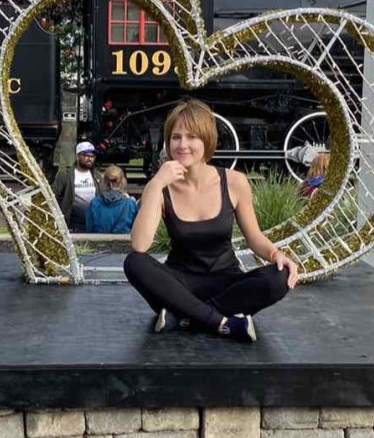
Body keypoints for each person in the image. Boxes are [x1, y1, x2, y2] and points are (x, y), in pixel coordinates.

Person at [124, 99, 298, 343]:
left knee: (279, 278)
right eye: (176, 137)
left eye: (191, 137)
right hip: (179, 284)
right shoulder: (161, 187)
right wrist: (155, 184)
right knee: (134, 263)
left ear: (206, 140)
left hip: (227, 282)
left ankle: (184, 316)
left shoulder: (234, 182)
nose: (182, 145)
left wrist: (275, 254)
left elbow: (254, 237)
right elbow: (140, 245)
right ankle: (222, 323)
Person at [53, 141, 100, 232]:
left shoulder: (97, 176)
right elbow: (54, 195)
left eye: (92, 156)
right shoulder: (65, 175)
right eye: (86, 155)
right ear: (77, 156)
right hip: (72, 222)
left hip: (93, 221)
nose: (89, 159)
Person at [86, 165, 138, 234]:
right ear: (123, 182)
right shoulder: (130, 204)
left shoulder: (94, 203)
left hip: (99, 240)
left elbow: (89, 229)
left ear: (104, 181)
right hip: (122, 240)